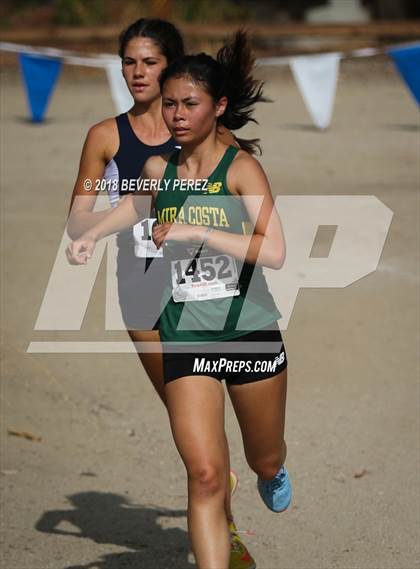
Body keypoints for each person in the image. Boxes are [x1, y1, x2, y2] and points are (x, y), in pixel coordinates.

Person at [67, 30, 291, 569]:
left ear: (217, 107)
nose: (176, 114)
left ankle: (271, 469)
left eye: (188, 103)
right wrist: (91, 233)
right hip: (185, 330)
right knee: (207, 472)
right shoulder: (155, 169)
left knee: (263, 457)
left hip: (249, 330)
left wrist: (198, 231)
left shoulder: (240, 168)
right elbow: (139, 208)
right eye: (170, 104)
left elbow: (276, 252)